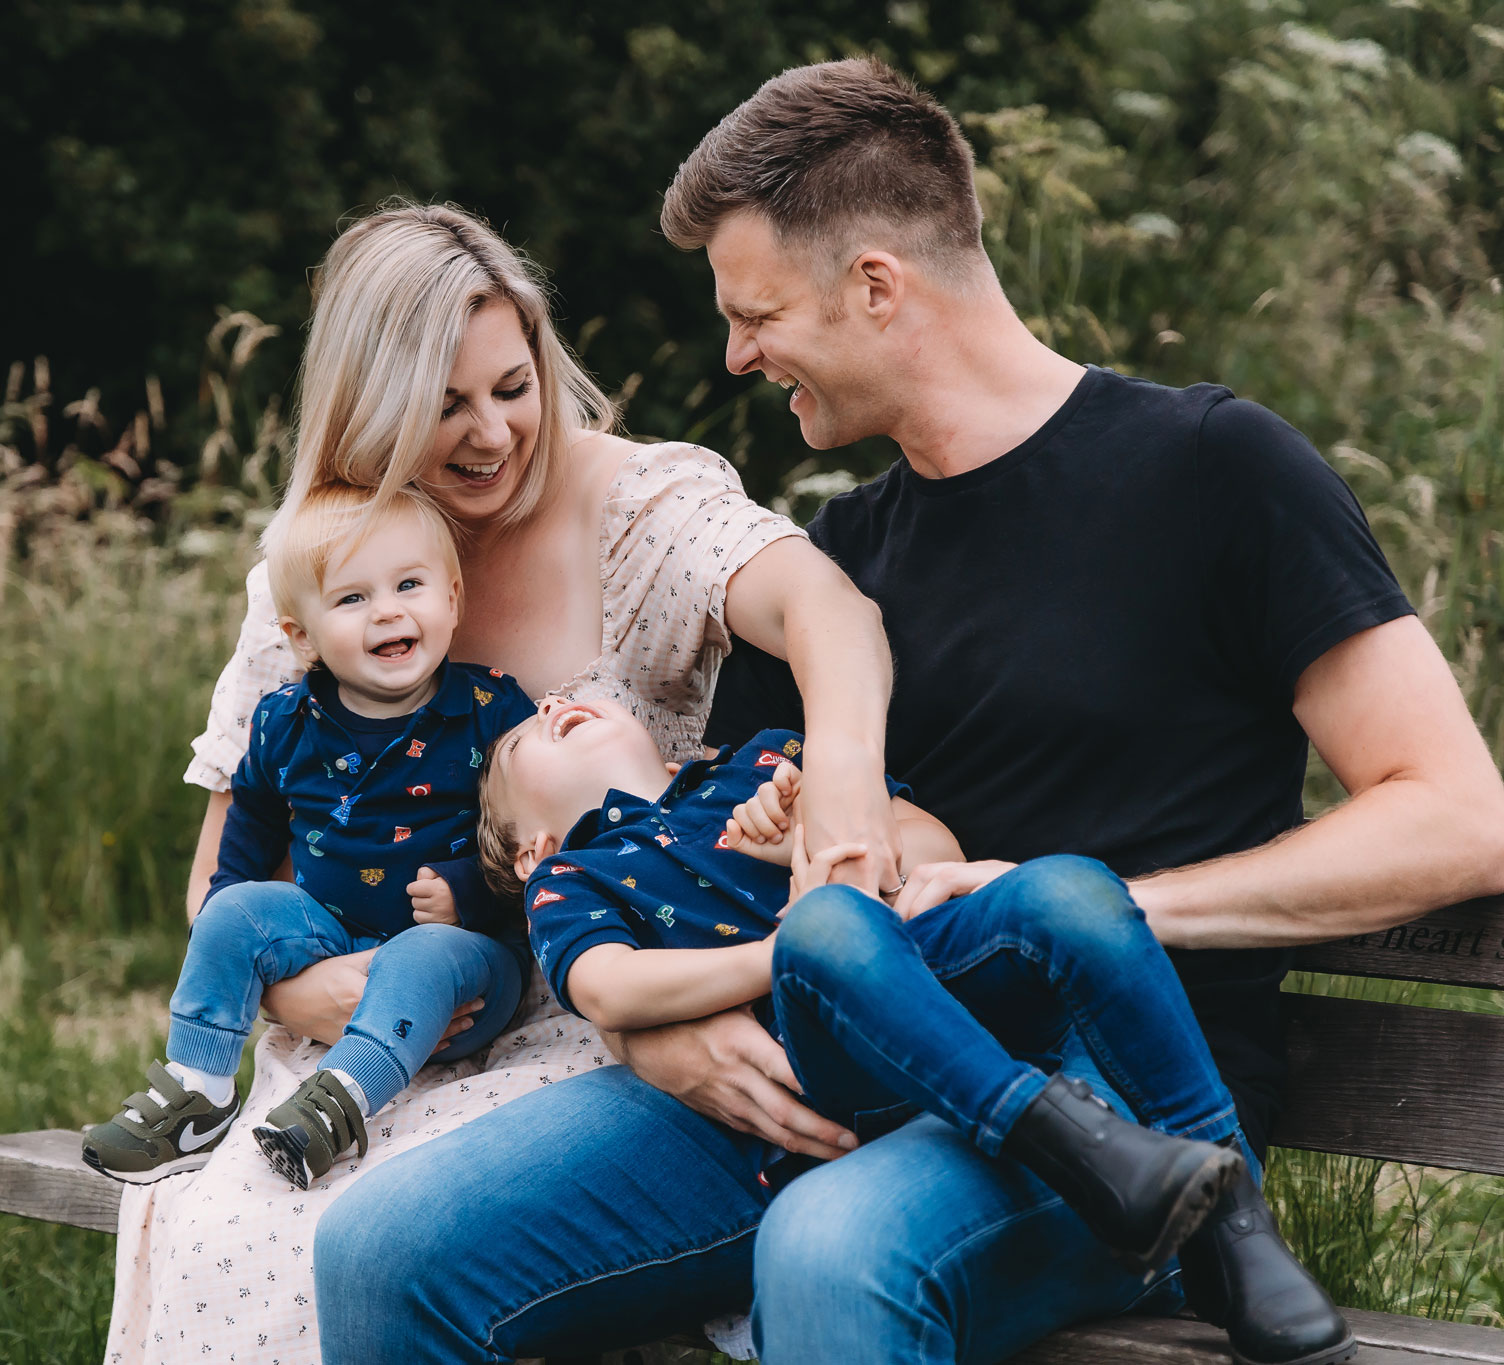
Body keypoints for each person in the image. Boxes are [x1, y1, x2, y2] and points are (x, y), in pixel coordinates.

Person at [314, 59, 1504, 1365]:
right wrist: (661, 1037)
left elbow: (1457, 817)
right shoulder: (843, 564)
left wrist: (1097, 904)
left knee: (831, 1250)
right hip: (838, 1056)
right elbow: (714, 860)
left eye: (755, 313)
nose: (735, 353)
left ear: (876, 286)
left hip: (1124, 1091)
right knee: (385, 1254)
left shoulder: (1216, 472)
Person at [98, 201, 897, 1364]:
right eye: (442, 404)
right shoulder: (325, 562)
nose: (490, 434)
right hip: (369, 1033)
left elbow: (826, 606)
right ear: (368, 406)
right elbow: (225, 864)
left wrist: (843, 788)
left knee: (393, 1240)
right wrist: (304, 993)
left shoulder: (635, 508)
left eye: (511, 387)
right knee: (242, 1234)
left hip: (594, 1007)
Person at [483, 695, 1349, 1354]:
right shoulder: (573, 877)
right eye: (524, 734)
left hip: (941, 968)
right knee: (827, 932)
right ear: (530, 847)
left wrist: (819, 843)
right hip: (842, 1051)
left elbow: (929, 845)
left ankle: (1230, 1219)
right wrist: (781, 950)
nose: (556, 703)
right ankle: (1084, 1150)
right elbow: (612, 990)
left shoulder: (757, 762)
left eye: (564, 699)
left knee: (1065, 886)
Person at [80, 484, 535, 1191]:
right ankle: (198, 1089)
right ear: (301, 636)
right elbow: (253, 820)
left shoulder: (491, 708)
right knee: (227, 909)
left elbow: (536, 839)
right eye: (352, 599)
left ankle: (340, 1100)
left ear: (451, 598)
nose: (387, 609)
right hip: (332, 933)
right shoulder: (284, 720)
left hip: (465, 967)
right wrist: (234, 923)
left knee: (421, 952)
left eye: (409, 585)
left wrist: (470, 891)